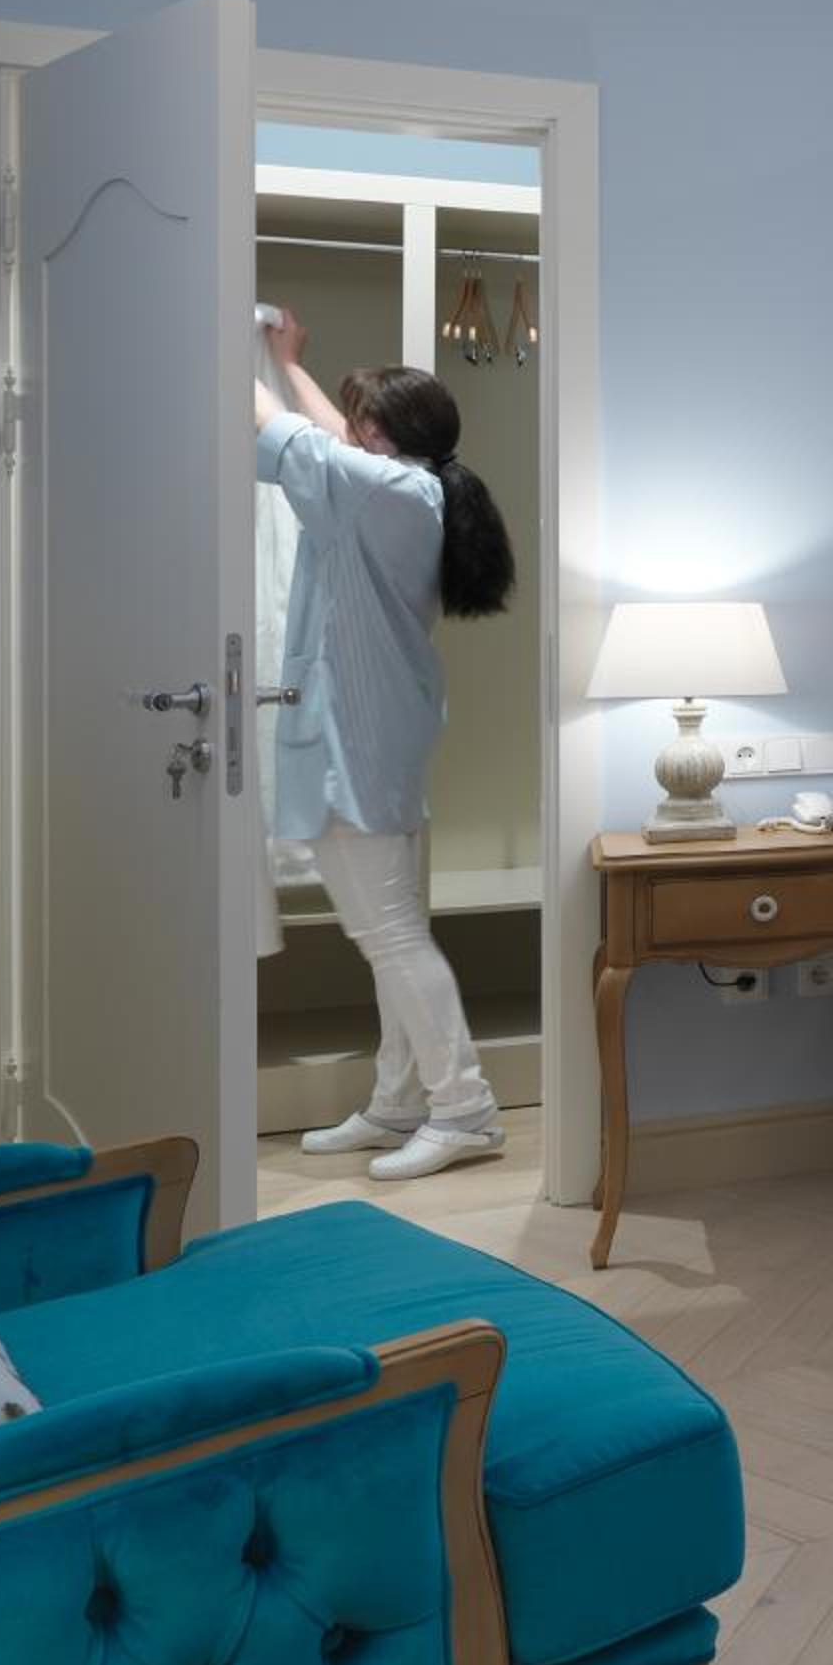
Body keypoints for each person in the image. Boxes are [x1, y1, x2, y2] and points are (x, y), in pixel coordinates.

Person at [253, 309, 518, 1180]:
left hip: (356, 747)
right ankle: (400, 1098)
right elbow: (326, 435)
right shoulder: (407, 486)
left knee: (391, 935)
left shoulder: (384, 492)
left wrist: (226, 344)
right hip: (373, 739)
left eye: (362, 420)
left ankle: (465, 1110)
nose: (350, 430)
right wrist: (288, 358)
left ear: (382, 436)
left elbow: (285, 434)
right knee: (388, 931)